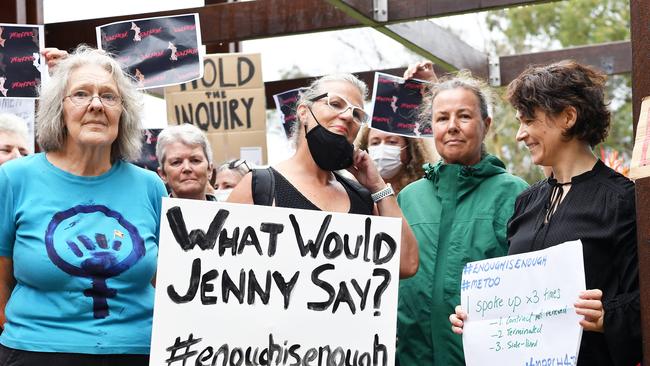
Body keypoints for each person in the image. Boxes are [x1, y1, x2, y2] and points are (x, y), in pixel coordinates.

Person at [450, 60, 641, 366]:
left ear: (567, 116)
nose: (519, 135)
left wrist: (608, 315)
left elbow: (642, 300)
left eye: (528, 121)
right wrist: (479, 318)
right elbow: (516, 299)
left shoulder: (622, 201)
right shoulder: (526, 203)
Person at [0, 45, 167, 365]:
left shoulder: (151, 188)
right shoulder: (13, 180)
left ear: (124, 111)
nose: (95, 104)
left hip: (138, 352)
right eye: (80, 94)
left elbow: (170, 287)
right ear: (57, 108)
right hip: (37, 355)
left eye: (109, 96)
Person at [396, 64, 529, 365]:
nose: (452, 126)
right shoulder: (409, 199)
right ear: (431, 128)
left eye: (464, 116)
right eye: (442, 118)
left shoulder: (514, 194)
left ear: (487, 124)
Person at [228, 73, 419, 278]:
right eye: (335, 103)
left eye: (356, 114)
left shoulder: (360, 197)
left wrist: (378, 187)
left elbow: (406, 264)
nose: (347, 116)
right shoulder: (259, 186)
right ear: (303, 112)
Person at [356, 127, 432, 194]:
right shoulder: (356, 193)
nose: (382, 150)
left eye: (392, 142)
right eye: (375, 143)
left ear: (409, 149)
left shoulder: (425, 191)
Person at [156, 123, 216, 201]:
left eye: (195, 160)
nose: (187, 168)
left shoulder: (234, 212)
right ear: (163, 174)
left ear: (209, 169)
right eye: (176, 162)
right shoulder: (154, 213)